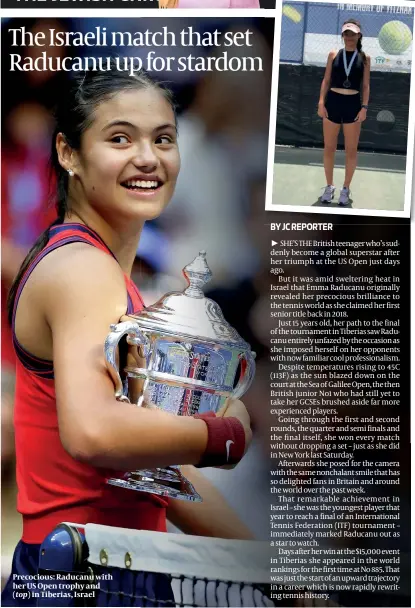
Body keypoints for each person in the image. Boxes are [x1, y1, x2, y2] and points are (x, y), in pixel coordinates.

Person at [1, 66, 253, 606]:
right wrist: (222, 433)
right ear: (68, 153)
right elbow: (93, 433)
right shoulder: (83, 270)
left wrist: (269, 566)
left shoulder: (100, 273)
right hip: (85, 579)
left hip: (108, 572)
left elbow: (152, 472)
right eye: (120, 138)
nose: (148, 157)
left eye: (163, 139)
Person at [317, 19, 370, 206]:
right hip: (333, 102)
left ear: (359, 35)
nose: (349, 37)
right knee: (329, 148)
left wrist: (364, 107)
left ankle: (345, 189)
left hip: (353, 105)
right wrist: (321, 102)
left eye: (353, 33)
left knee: (351, 150)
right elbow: (326, 80)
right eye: (346, 33)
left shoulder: (364, 58)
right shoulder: (333, 54)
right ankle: (329, 186)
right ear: (343, 36)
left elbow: (365, 85)